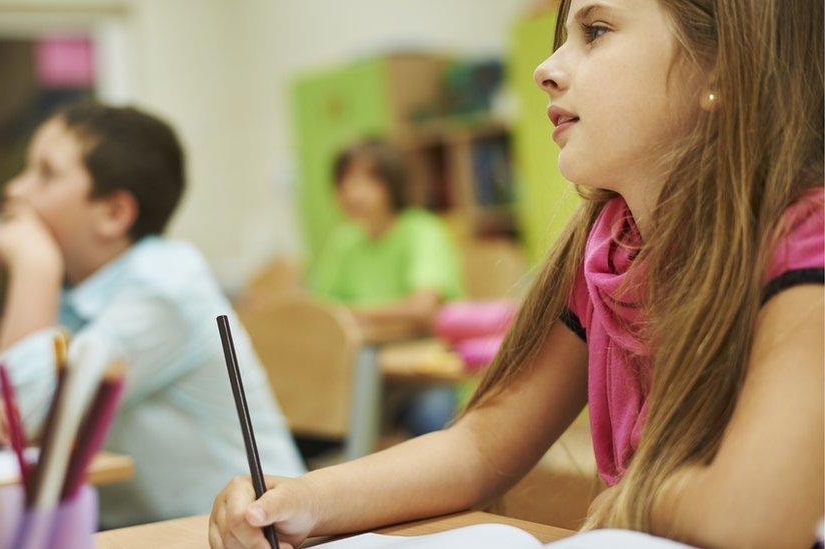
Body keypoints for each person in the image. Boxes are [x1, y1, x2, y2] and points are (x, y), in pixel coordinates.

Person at [210, 1, 824, 547]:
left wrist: (630, 500)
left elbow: (754, 519)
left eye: (598, 29)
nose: (546, 68)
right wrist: (302, 500)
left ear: (720, 64)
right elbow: (480, 446)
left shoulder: (806, 240)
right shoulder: (608, 250)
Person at [0, 102, 305, 528]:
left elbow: (13, 420)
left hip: (248, 535)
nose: (15, 190)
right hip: (142, 531)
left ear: (114, 213)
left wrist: (34, 268)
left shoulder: (163, 291)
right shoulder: (79, 290)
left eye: (45, 173)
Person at [311, 139, 465, 435]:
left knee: (431, 418)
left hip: (424, 375)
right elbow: (322, 313)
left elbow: (422, 308)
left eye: (367, 179)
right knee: (314, 417)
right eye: (345, 181)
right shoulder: (344, 241)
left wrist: (354, 313)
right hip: (364, 375)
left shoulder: (422, 229)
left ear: (391, 182)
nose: (353, 192)